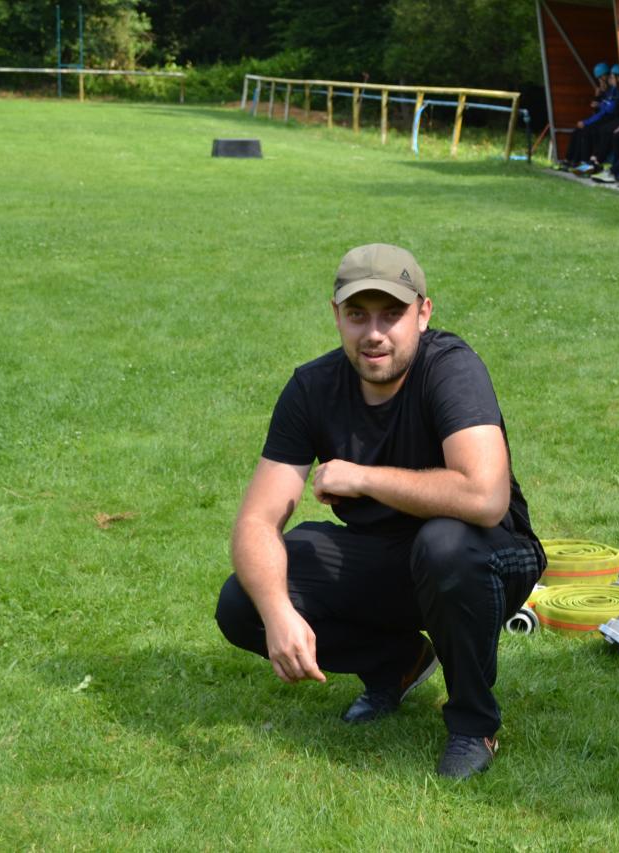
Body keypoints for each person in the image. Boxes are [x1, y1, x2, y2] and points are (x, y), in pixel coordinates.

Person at [215, 243, 545, 781]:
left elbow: (485, 499)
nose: (374, 333)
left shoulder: (451, 369)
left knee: (443, 545)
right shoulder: (312, 388)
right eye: (358, 315)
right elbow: (255, 521)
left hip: (489, 554)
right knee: (242, 601)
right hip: (391, 559)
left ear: (423, 313)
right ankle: (398, 663)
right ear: (336, 316)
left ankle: (473, 724)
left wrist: (362, 477)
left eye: (391, 314)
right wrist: (277, 613)